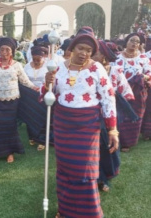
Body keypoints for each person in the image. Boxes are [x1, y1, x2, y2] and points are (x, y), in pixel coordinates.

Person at [43, 27, 118, 218]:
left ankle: (89, 213)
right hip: (63, 124)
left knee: (85, 170)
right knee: (65, 168)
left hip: (87, 126)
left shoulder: (96, 68)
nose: (84, 53)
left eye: (89, 51)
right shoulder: (57, 67)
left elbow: (108, 97)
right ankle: (65, 210)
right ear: (72, 48)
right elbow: (48, 97)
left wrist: (112, 130)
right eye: (81, 48)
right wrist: (46, 83)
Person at [0, 37, 39, 163]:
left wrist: (34, 87)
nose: (4, 52)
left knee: (9, 127)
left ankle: (9, 152)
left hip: (12, 101)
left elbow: (25, 81)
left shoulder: (17, 65)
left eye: (7, 50)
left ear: (12, 51)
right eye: (2, 49)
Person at [93, 40, 135, 192]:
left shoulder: (115, 71)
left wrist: (118, 104)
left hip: (109, 117)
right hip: (92, 117)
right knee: (94, 149)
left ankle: (105, 177)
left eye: (95, 53)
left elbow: (126, 91)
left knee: (107, 149)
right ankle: (98, 178)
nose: (92, 55)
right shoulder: (88, 69)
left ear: (104, 56)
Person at [114, 33, 151, 152]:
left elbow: (149, 74)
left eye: (137, 42)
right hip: (121, 92)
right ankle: (119, 141)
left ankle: (128, 142)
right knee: (121, 115)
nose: (134, 44)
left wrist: (143, 77)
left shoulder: (143, 59)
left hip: (138, 93)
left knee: (136, 116)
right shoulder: (117, 57)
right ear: (126, 41)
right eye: (132, 40)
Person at [24, 45, 49, 151]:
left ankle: (42, 140)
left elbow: (50, 81)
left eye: (38, 60)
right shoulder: (27, 66)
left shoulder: (48, 66)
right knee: (30, 116)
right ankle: (32, 137)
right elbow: (23, 79)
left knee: (42, 118)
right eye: (34, 59)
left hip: (43, 95)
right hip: (29, 95)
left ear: (43, 58)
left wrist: (42, 88)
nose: (36, 62)